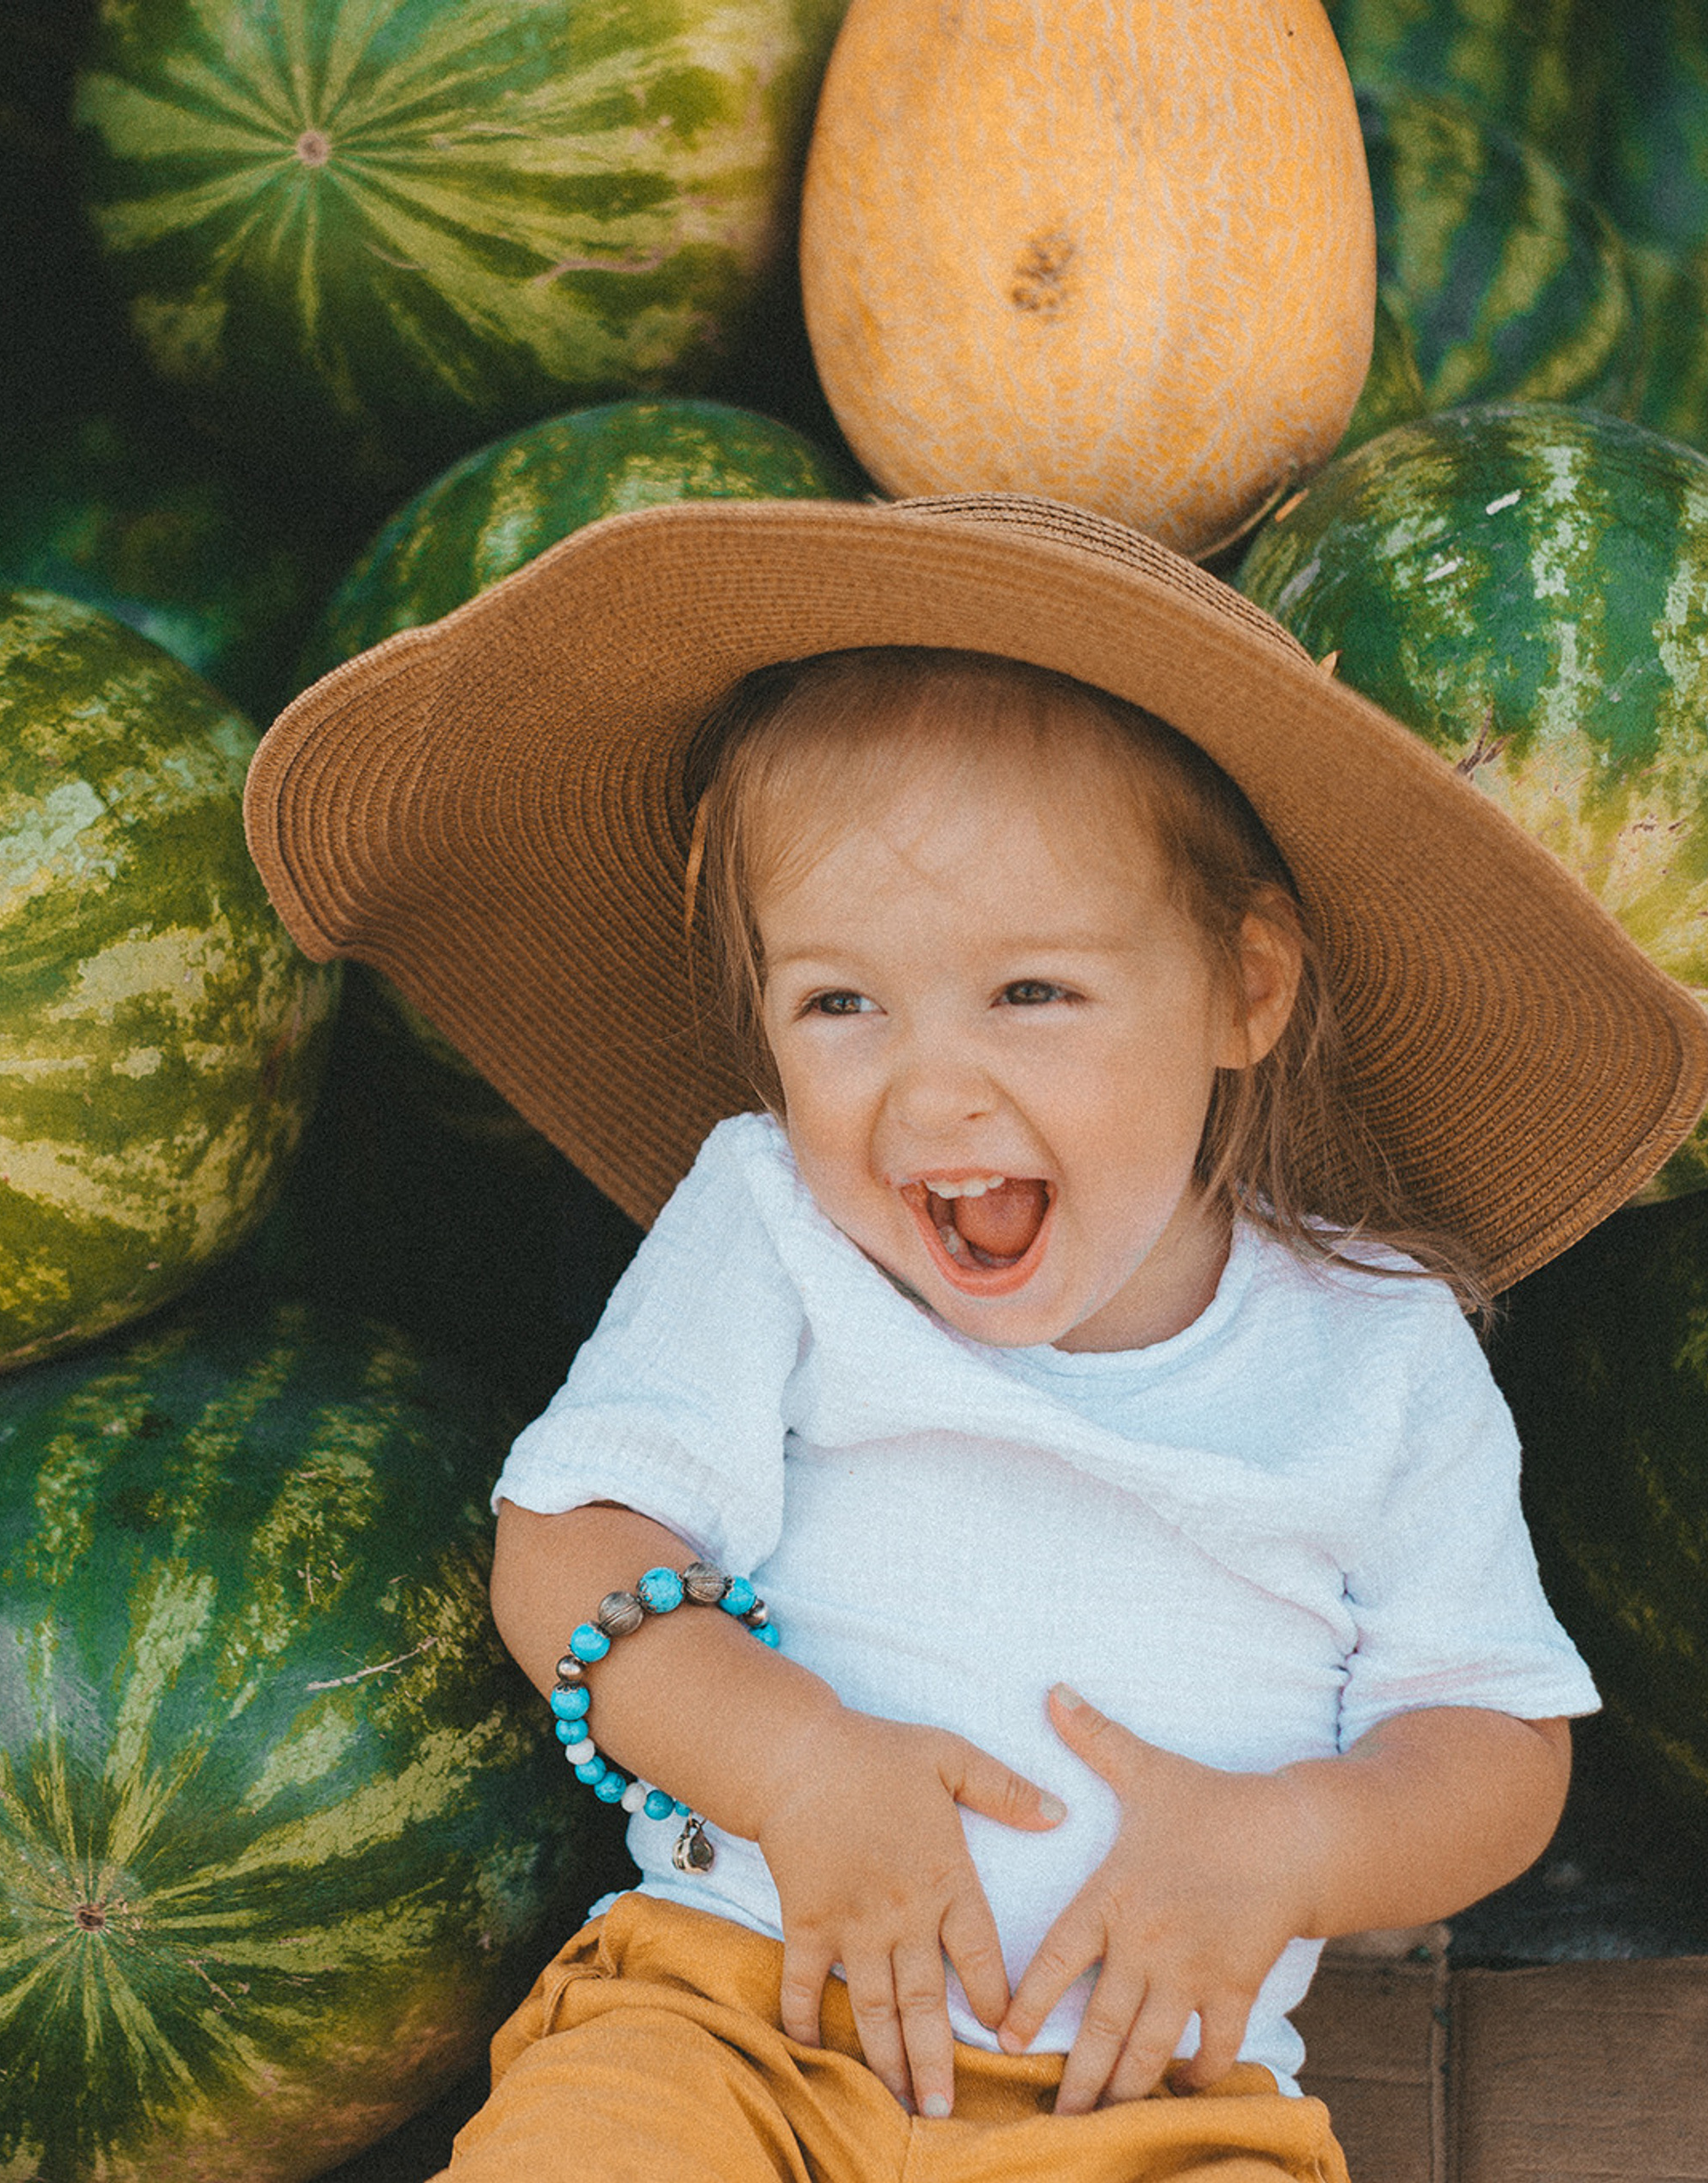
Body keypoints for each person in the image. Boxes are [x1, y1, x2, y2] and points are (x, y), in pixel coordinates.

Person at [244, 494, 1708, 2182]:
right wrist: (794, 1760)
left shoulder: (1376, 1347)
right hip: (736, 2022)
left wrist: (1289, 1844)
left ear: (1245, 988)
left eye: (1030, 993)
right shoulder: (775, 1225)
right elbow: (568, 1544)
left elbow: (1494, 1746)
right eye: (839, 1002)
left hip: (1149, 2101)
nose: (929, 1090)